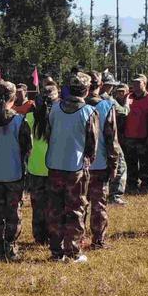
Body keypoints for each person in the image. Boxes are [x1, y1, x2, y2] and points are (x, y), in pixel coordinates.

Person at [45, 70, 98, 263]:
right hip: (75, 168)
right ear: (86, 89)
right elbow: (92, 145)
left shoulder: (55, 108)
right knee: (76, 209)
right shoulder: (89, 112)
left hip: (54, 165)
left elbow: (49, 133)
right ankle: (73, 251)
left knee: (55, 209)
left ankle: (56, 251)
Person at [0, 81, 31, 260]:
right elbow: (27, 150)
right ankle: (10, 247)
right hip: (14, 175)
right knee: (13, 214)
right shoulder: (20, 121)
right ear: (13, 96)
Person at [86, 76, 122, 249]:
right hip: (99, 164)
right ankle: (98, 240)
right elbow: (111, 139)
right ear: (100, 85)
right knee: (98, 204)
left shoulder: (67, 107)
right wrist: (114, 163)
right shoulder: (106, 106)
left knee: (76, 204)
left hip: (75, 166)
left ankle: (74, 239)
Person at [24, 85, 57, 246]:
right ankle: (53, 234)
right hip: (55, 167)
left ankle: (39, 236)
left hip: (35, 167)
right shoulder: (58, 117)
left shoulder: (29, 118)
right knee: (54, 205)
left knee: (38, 206)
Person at [121, 76, 148, 193]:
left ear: (144, 84)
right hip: (129, 136)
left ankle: (146, 185)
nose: (135, 86)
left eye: (138, 83)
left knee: (145, 163)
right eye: (133, 83)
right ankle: (132, 185)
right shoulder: (128, 97)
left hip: (144, 137)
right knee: (131, 162)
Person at [108, 81, 129, 204]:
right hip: (110, 138)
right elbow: (124, 111)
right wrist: (127, 104)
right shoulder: (109, 99)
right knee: (121, 166)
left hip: (100, 138)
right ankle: (115, 196)